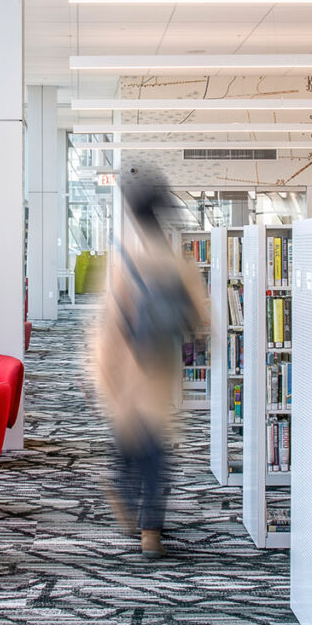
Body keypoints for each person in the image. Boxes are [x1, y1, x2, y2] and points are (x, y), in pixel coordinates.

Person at [87, 173, 208, 558]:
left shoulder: (123, 260)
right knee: (155, 452)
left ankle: (124, 495)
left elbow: (107, 323)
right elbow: (201, 319)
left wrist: (97, 374)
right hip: (159, 369)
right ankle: (150, 529)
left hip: (125, 369)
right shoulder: (177, 262)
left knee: (131, 445)